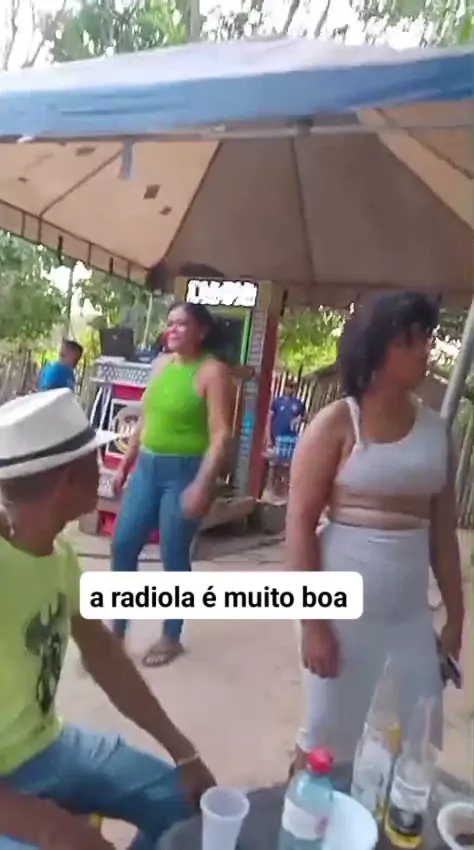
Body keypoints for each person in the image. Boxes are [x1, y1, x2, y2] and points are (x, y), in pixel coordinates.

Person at [0, 389, 215, 850]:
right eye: (94, 459)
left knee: (188, 807)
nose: (104, 467)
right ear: (68, 480)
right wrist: (50, 827)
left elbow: (104, 656)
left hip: (47, 746)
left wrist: (183, 752)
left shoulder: (58, 556)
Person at [286, 292, 464, 769]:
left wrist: (456, 615)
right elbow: (299, 525)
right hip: (339, 613)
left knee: (409, 734)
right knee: (325, 736)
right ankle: (297, 811)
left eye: (427, 338)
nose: (425, 350)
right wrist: (313, 625)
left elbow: (443, 534)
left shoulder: (435, 432)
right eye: (412, 341)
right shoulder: (337, 425)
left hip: (408, 616)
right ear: (378, 347)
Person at [111, 302, 235, 667]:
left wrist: (203, 484)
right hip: (147, 468)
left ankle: (171, 635)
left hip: (185, 471)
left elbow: (221, 434)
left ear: (202, 331)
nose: (173, 329)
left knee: (174, 553)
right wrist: (124, 465)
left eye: (183, 324)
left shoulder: (213, 372)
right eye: (170, 324)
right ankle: (115, 633)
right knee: (122, 544)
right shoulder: (161, 365)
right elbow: (145, 420)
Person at [267, 380, 306, 447]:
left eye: (292, 387)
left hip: (289, 438)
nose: (289, 390)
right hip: (275, 437)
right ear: (285, 388)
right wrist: (268, 439)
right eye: (288, 387)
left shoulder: (298, 403)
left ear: (295, 389)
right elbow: (269, 419)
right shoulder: (277, 402)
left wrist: (298, 419)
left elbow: (305, 417)